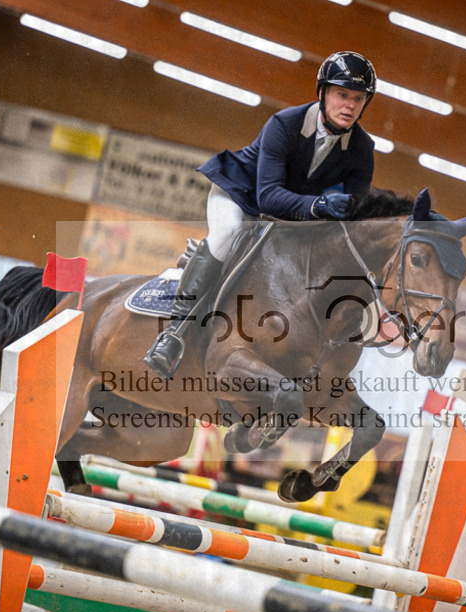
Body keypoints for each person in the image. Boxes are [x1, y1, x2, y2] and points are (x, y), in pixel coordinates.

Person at [144, 51, 378, 379]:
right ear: (323, 93)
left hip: (291, 216)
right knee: (229, 234)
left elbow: (352, 218)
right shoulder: (285, 123)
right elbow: (268, 197)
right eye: (342, 95)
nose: (350, 105)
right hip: (242, 195)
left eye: (358, 98)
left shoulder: (362, 149)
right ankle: (172, 335)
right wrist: (319, 207)